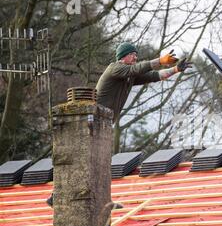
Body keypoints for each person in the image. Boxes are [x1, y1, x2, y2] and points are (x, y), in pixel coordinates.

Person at [46, 42, 192, 207]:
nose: (136, 57)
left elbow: (154, 76)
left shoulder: (128, 76)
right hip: (90, 124)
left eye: (136, 55)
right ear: (123, 56)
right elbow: (135, 69)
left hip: (103, 125)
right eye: (133, 54)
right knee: (83, 161)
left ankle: (102, 201)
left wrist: (175, 70)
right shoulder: (115, 68)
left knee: (100, 165)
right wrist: (160, 60)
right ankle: (57, 195)